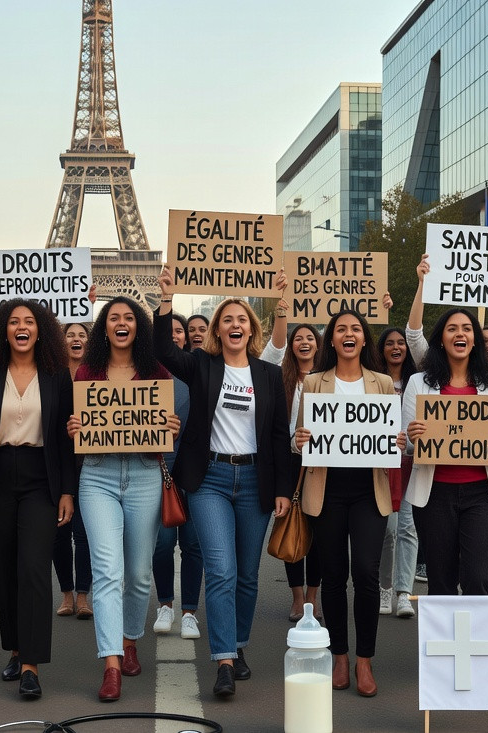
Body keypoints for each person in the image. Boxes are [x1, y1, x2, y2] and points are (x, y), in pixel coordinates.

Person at [153, 266, 294, 699]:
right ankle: (224, 661)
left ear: (252, 330)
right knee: (221, 569)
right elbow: (164, 350)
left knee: (248, 575)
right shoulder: (201, 365)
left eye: (243, 319)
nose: (235, 324)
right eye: (227, 319)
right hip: (210, 478)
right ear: (217, 330)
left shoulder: (269, 375)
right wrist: (166, 300)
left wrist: (283, 490)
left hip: (255, 480)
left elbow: (278, 434)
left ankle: (239, 644)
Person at [0, 298, 77, 701]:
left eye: (29, 321)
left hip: (41, 479)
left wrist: (66, 491)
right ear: (3, 331)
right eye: (13, 322)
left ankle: (31, 665)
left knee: (33, 569)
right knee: (5, 571)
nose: (21, 327)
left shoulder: (59, 375)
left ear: (40, 330)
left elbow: (64, 438)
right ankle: (14, 648)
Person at [67, 296, 183, 701]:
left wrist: (169, 425)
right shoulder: (86, 373)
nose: (121, 322)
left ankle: (130, 638)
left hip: (145, 475)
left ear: (138, 327)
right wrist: (75, 426)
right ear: (104, 327)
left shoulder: (157, 373)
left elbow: (167, 427)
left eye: (128, 317)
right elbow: (78, 428)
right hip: (97, 475)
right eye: (113, 317)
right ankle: (111, 661)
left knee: (137, 572)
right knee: (107, 570)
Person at [292, 309, 404, 698]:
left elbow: (393, 435)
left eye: (356, 328)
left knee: (368, 575)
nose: (349, 334)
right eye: (341, 329)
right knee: (335, 576)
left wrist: (399, 442)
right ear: (332, 340)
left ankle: (364, 660)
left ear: (364, 338)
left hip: (369, 491)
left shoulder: (384, 383)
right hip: (328, 489)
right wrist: (299, 440)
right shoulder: (313, 383)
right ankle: (339, 654)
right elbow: (296, 437)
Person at [403, 305, 488, 599]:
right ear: (441, 339)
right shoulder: (419, 383)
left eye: (467, 329)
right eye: (452, 328)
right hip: (434, 495)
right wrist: (412, 436)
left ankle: (476, 645)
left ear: (475, 340)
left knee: (479, 579)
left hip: (481, 494)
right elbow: (406, 445)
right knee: (440, 581)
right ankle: (443, 645)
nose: (460, 334)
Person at [264, 320, 324, 622]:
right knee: (291, 527)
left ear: (318, 344)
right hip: (288, 461)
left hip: (323, 462)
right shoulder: (279, 378)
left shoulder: (331, 378)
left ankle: (313, 597)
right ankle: (297, 597)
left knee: (318, 533)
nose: (303, 342)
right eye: (297, 338)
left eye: (309, 338)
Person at [152, 312, 203, 640]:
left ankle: (189, 612)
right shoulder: (143, 374)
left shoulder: (198, 372)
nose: (174, 336)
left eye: (178, 331)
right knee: (162, 543)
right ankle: (165, 605)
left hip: (194, 467)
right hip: (158, 466)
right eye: (167, 331)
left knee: (193, 544)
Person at [376, 327, 419, 620]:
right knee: (388, 530)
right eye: (389, 343)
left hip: (413, 464)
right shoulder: (373, 381)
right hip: (381, 464)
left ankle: (404, 593)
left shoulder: (419, 382)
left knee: (408, 528)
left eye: (400, 343)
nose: (395, 347)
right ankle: (385, 588)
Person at [55, 321, 95, 619]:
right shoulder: (50, 374)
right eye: (70, 335)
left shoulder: (96, 375)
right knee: (59, 532)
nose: (76, 339)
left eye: (82, 334)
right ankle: (66, 593)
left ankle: (83, 595)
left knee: (83, 534)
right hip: (56, 464)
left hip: (88, 464)